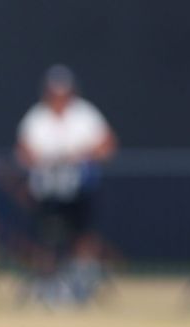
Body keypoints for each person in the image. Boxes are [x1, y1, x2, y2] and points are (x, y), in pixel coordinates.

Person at [15, 65, 117, 305]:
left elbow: (107, 145)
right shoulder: (37, 117)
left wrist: (81, 156)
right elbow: (23, 151)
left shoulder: (85, 114)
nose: (59, 99)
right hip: (48, 190)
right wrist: (45, 160)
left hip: (79, 188)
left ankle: (82, 282)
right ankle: (48, 284)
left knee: (82, 235)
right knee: (46, 237)